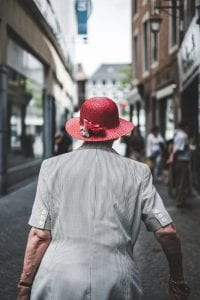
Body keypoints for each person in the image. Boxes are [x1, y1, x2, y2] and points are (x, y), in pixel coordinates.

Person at [18, 97, 190, 300]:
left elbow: (39, 235)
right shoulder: (138, 172)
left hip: (57, 279)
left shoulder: (51, 167)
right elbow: (167, 232)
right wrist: (177, 280)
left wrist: (25, 285)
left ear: (81, 131)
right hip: (117, 281)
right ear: (116, 134)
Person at [167, 122, 191, 207]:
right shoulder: (183, 136)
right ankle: (180, 201)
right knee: (182, 182)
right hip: (182, 162)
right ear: (185, 127)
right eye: (188, 128)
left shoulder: (177, 135)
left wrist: (172, 158)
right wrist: (172, 158)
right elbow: (178, 150)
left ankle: (180, 199)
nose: (189, 130)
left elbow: (173, 148)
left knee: (178, 181)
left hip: (178, 162)